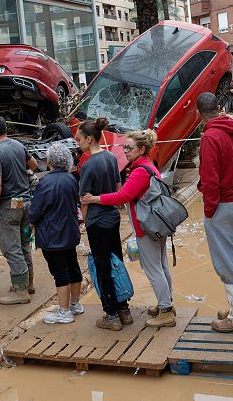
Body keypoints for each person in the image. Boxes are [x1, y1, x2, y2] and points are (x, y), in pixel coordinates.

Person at [82, 130, 176, 328]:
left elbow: (121, 196)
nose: (125, 151)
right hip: (156, 225)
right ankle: (166, 304)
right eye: (124, 147)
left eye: (130, 147)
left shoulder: (140, 171)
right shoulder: (149, 167)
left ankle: (166, 311)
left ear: (142, 149)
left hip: (146, 227)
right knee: (161, 265)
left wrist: (94, 199)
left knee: (152, 269)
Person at [197, 93, 233, 332]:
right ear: (218, 108)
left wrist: (210, 210)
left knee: (227, 262)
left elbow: (210, 179)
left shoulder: (210, 137)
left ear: (198, 114)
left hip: (223, 204)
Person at [75, 118, 129, 330]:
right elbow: (118, 187)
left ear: (89, 139)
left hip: (97, 221)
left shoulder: (88, 164)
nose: (78, 143)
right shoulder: (110, 157)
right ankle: (123, 308)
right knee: (117, 261)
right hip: (113, 217)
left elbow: (84, 199)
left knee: (103, 265)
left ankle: (111, 313)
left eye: (79, 139)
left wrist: (86, 223)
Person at [0, 116, 39, 305]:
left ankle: (20, 290)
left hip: (8, 205)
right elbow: (33, 165)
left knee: (11, 248)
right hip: (25, 203)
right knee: (24, 244)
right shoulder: (18, 145)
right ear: (6, 129)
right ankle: (28, 283)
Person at [29, 142, 82, 325]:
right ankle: (75, 304)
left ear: (50, 160)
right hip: (69, 231)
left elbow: (36, 210)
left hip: (53, 235)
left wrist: (31, 220)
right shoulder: (71, 179)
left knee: (60, 273)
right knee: (73, 267)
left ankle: (64, 311)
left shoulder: (46, 182)